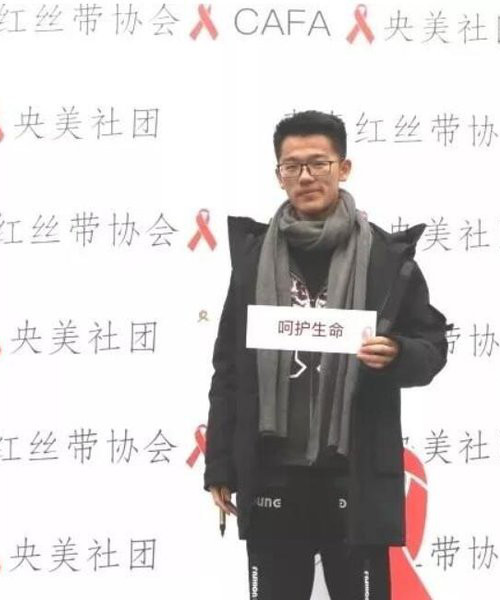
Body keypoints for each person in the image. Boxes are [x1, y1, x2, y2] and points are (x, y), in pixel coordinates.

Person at [204, 110, 450, 599]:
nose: (305, 176)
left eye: (319, 163)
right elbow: (228, 368)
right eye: (291, 166)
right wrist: (220, 465)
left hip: (353, 475)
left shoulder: (386, 258)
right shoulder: (252, 259)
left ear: (344, 168)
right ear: (278, 175)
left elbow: (432, 347)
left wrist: (397, 353)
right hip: (272, 472)